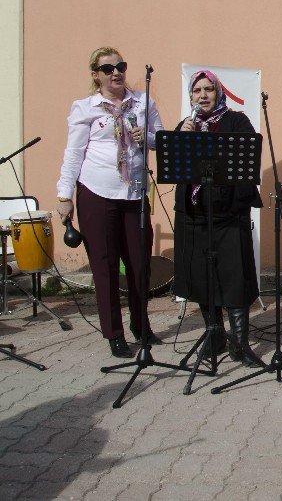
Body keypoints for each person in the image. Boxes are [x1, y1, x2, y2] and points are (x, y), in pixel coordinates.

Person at [55, 47, 163, 359]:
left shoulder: (142, 103)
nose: (116, 72)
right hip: (96, 192)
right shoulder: (85, 108)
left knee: (140, 262)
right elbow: (73, 154)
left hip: (134, 192)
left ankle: (141, 325)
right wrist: (64, 195)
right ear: (96, 75)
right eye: (107, 69)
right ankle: (114, 334)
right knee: (105, 266)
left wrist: (147, 137)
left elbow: (161, 139)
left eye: (120, 66)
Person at [172, 70, 264, 367]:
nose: (203, 95)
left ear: (218, 92)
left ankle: (240, 341)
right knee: (201, 276)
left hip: (228, 214)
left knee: (235, 278)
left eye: (208, 89)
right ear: (191, 97)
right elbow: (172, 167)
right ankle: (215, 335)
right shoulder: (185, 127)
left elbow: (247, 159)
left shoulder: (237, 121)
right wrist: (181, 141)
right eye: (196, 91)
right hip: (194, 215)